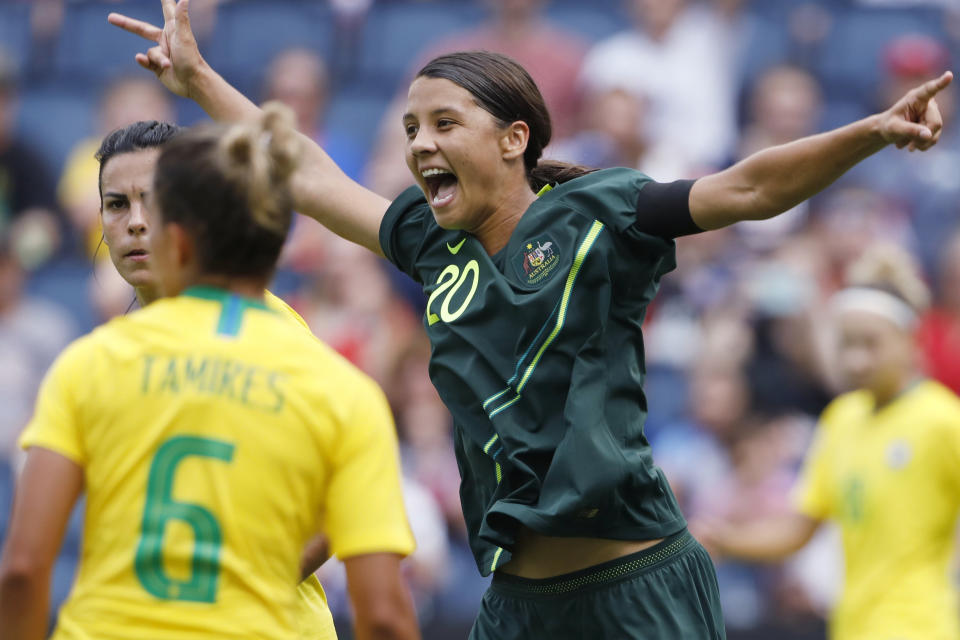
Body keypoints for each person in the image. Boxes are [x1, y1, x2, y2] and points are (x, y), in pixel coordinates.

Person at [109, 2, 952, 637]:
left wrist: (871, 133)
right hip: (515, 603)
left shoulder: (601, 211)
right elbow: (313, 179)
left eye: (445, 123)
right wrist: (198, 79)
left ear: (514, 139)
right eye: (410, 128)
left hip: (636, 587)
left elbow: (750, 187)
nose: (420, 144)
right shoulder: (430, 248)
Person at [0, 105, 420, 640]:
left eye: (152, 199)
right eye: (115, 204)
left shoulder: (272, 332)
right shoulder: (101, 350)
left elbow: (22, 564)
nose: (133, 221)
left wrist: (246, 584)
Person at [696, 245, 960, 640]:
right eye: (847, 344)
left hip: (921, 627)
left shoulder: (942, 419)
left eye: (871, 344)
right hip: (850, 627)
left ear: (908, 339)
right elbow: (799, 530)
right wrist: (723, 539)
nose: (856, 360)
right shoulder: (841, 419)